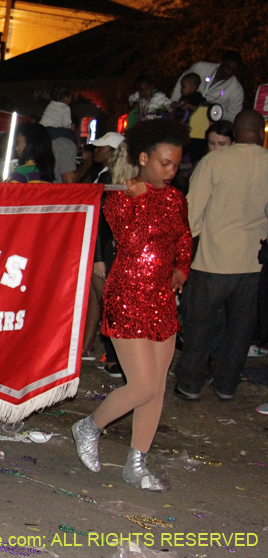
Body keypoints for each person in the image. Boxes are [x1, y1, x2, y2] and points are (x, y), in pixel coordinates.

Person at [71, 119, 191, 492]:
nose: (170, 171)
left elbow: (182, 237)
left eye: (175, 164)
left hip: (161, 300)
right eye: (164, 163)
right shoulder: (120, 199)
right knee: (141, 386)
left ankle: (136, 464)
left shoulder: (175, 199)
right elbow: (130, 239)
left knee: (156, 388)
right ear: (143, 158)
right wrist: (137, 201)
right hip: (127, 297)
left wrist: (180, 269)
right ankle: (89, 426)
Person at [174, 110, 268, 402]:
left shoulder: (214, 161)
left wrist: (185, 250)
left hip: (214, 259)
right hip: (255, 262)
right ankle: (226, 385)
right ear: (261, 131)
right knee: (241, 328)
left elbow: (192, 212)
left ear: (237, 132)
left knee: (200, 323)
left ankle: (190, 383)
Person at [84, 132, 126, 374]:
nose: (96, 152)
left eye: (102, 148)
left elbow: (101, 220)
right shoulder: (105, 176)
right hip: (104, 249)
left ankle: (115, 357)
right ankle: (89, 347)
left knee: (107, 302)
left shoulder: (109, 178)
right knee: (96, 298)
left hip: (105, 251)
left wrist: (98, 255)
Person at [170, 50, 244, 123]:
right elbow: (182, 81)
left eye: (234, 70)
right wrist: (174, 100)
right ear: (221, 62)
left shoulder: (237, 90)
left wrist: (214, 110)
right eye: (227, 68)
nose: (230, 72)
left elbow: (234, 116)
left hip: (208, 125)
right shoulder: (200, 67)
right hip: (182, 116)